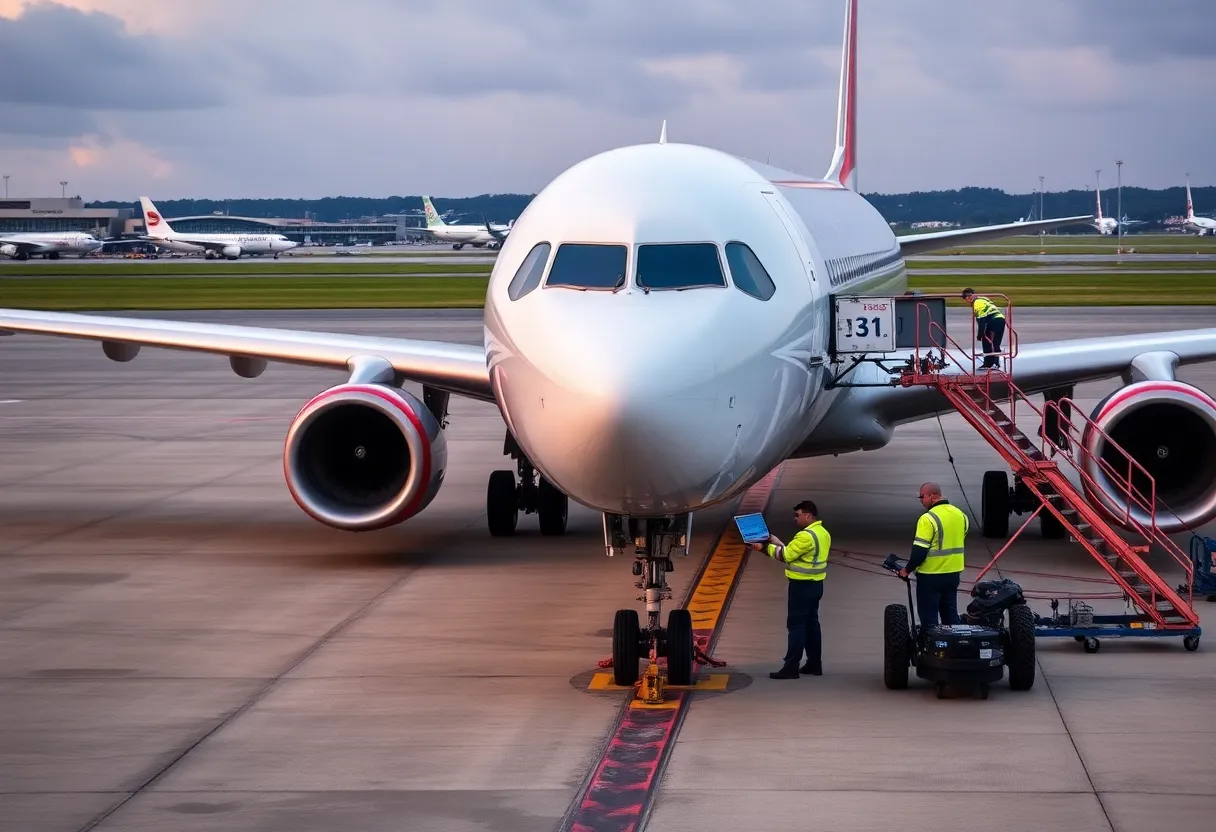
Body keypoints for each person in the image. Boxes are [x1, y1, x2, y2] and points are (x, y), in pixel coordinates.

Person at [748, 500, 830, 679]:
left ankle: (791, 667)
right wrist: (776, 541)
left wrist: (763, 548)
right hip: (816, 585)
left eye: (797, 515)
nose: (795, 518)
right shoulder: (822, 533)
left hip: (801, 586)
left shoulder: (805, 536)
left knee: (796, 626)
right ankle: (815, 664)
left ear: (808, 515)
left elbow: (785, 556)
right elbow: (798, 554)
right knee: (811, 624)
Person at [898, 483, 968, 629]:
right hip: (953, 574)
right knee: (950, 615)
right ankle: (953, 647)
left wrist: (906, 570)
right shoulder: (960, 515)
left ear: (933, 496)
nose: (921, 500)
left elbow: (919, 552)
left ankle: (932, 649)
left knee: (929, 618)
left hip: (930, 576)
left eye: (922, 496)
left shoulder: (928, 519)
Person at [961, 288, 1006, 369]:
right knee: (994, 342)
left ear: (969, 297)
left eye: (965, 298)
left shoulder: (977, 304)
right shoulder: (983, 299)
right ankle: (993, 363)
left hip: (994, 321)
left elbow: (981, 321)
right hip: (1000, 319)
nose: (965, 301)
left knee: (989, 342)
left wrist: (980, 335)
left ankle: (990, 364)